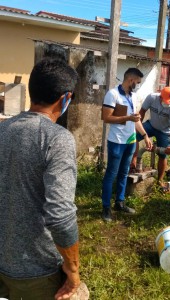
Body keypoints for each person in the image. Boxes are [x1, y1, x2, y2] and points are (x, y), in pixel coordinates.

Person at [0, 59, 81, 299]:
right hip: (38, 271)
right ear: (65, 98)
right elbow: (60, 214)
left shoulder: (3, 130)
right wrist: (73, 267)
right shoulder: (57, 139)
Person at [101, 68, 152, 222]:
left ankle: (120, 202)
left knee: (124, 173)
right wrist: (128, 117)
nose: (137, 85)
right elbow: (106, 117)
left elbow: (135, 120)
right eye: (137, 82)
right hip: (116, 141)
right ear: (130, 80)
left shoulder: (134, 97)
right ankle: (106, 208)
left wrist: (145, 135)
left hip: (130, 141)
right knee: (111, 174)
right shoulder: (113, 94)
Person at [131, 86, 170, 189]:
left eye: (169, 101)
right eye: (165, 100)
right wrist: (136, 127)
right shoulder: (152, 98)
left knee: (162, 155)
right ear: (160, 96)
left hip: (165, 132)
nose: (167, 103)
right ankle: (133, 163)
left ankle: (160, 180)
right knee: (134, 136)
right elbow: (142, 112)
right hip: (151, 125)